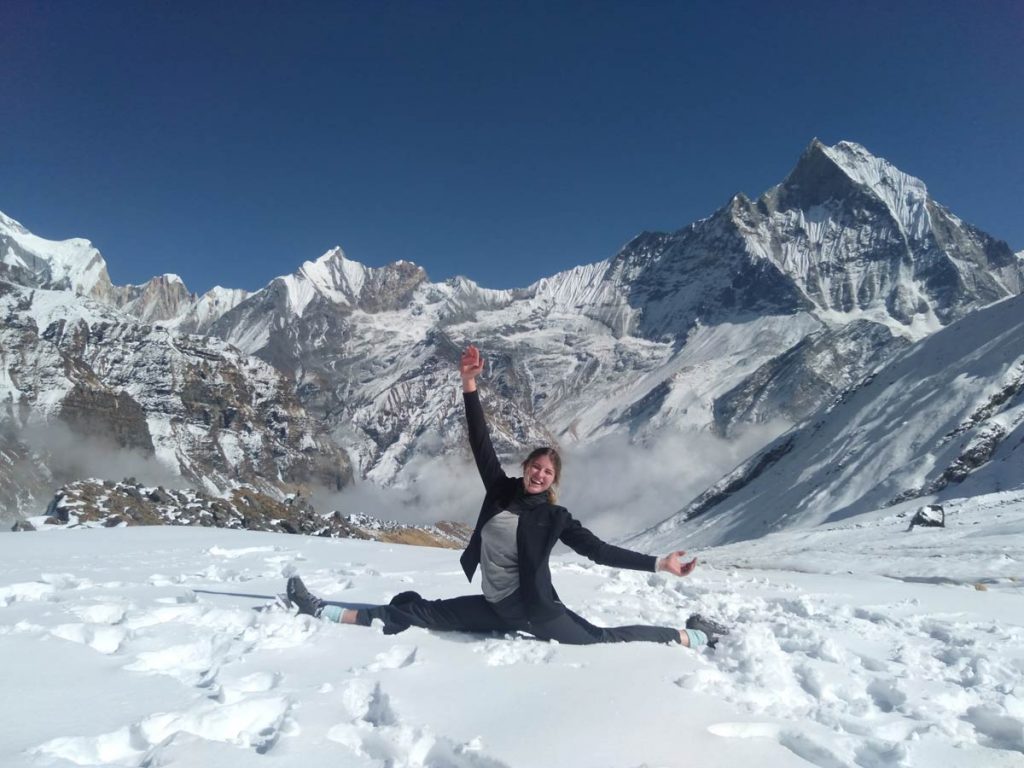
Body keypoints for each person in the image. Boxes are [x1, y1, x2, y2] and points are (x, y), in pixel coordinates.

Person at [286, 345, 728, 649]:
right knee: (418, 612)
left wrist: (658, 564)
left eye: (548, 471)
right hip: (496, 607)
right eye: (535, 466)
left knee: (605, 639)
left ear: (554, 480)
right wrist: (469, 385)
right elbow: (480, 443)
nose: (539, 474)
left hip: (539, 615)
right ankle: (323, 611)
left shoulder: (557, 518)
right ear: (526, 468)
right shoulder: (500, 489)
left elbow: (600, 552)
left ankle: (695, 637)